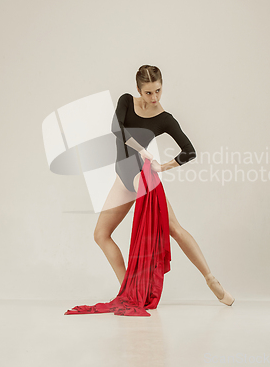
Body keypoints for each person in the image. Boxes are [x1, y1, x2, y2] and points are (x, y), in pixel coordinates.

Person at [93, 65, 234, 306]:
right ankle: (128, 290)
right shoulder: (126, 101)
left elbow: (189, 152)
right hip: (123, 177)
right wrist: (143, 150)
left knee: (175, 229)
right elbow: (116, 129)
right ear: (138, 89)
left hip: (141, 179)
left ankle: (211, 279)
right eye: (148, 93)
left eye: (158, 91)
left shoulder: (165, 119)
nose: (155, 97)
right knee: (101, 235)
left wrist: (162, 166)